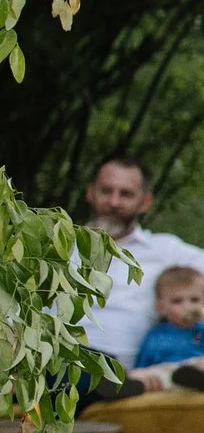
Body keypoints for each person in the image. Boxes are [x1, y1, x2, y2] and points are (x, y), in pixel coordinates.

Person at [77, 155, 204, 377]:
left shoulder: (165, 250)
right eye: (106, 191)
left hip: (120, 372)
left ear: (145, 202)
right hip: (55, 362)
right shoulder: (59, 248)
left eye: (125, 194)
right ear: (90, 193)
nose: (114, 202)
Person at [128, 265, 204, 391]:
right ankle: (126, 388)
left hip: (196, 367)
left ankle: (195, 380)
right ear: (160, 308)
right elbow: (143, 363)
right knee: (138, 375)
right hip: (166, 373)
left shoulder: (201, 330)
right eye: (177, 301)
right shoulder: (156, 335)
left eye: (195, 300)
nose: (187, 306)